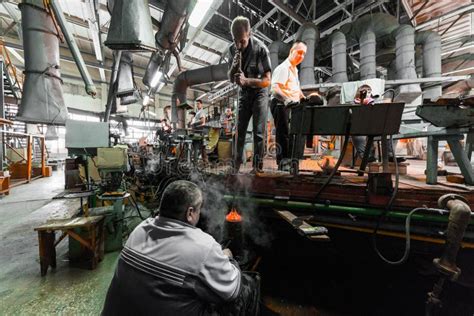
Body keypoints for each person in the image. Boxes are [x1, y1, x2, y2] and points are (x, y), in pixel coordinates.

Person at [102, 180, 259, 315]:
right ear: (190, 213)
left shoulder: (140, 229)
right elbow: (231, 291)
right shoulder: (204, 246)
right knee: (247, 285)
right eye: (199, 209)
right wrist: (229, 259)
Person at [228, 16, 272, 173]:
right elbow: (230, 78)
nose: (238, 45)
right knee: (239, 131)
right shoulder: (232, 49)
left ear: (250, 34)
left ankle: (257, 167)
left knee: (258, 132)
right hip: (245, 93)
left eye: (242, 41)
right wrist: (233, 67)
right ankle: (235, 166)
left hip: (260, 92)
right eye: (235, 40)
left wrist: (247, 81)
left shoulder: (261, 49)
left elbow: (267, 81)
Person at [270, 41, 320, 171]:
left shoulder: (294, 70)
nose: (301, 56)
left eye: (304, 54)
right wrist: (286, 99)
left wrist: (303, 97)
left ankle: (292, 161)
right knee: (284, 133)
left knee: (295, 133)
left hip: (292, 105)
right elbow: (274, 89)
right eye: (299, 52)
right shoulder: (283, 68)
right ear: (291, 51)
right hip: (281, 103)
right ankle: (283, 163)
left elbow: (296, 89)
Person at [190, 99, 208, 164]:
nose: (197, 105)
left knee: (199, 148)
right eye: (196, 104)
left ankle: (196, 163)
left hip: (200, 132)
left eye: (198, 103)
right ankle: (205, 162)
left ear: (201, 104)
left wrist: (194, 124)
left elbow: (202, 121)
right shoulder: (197, 112)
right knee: (202, 149)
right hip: (197, 131)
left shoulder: (202, 111)